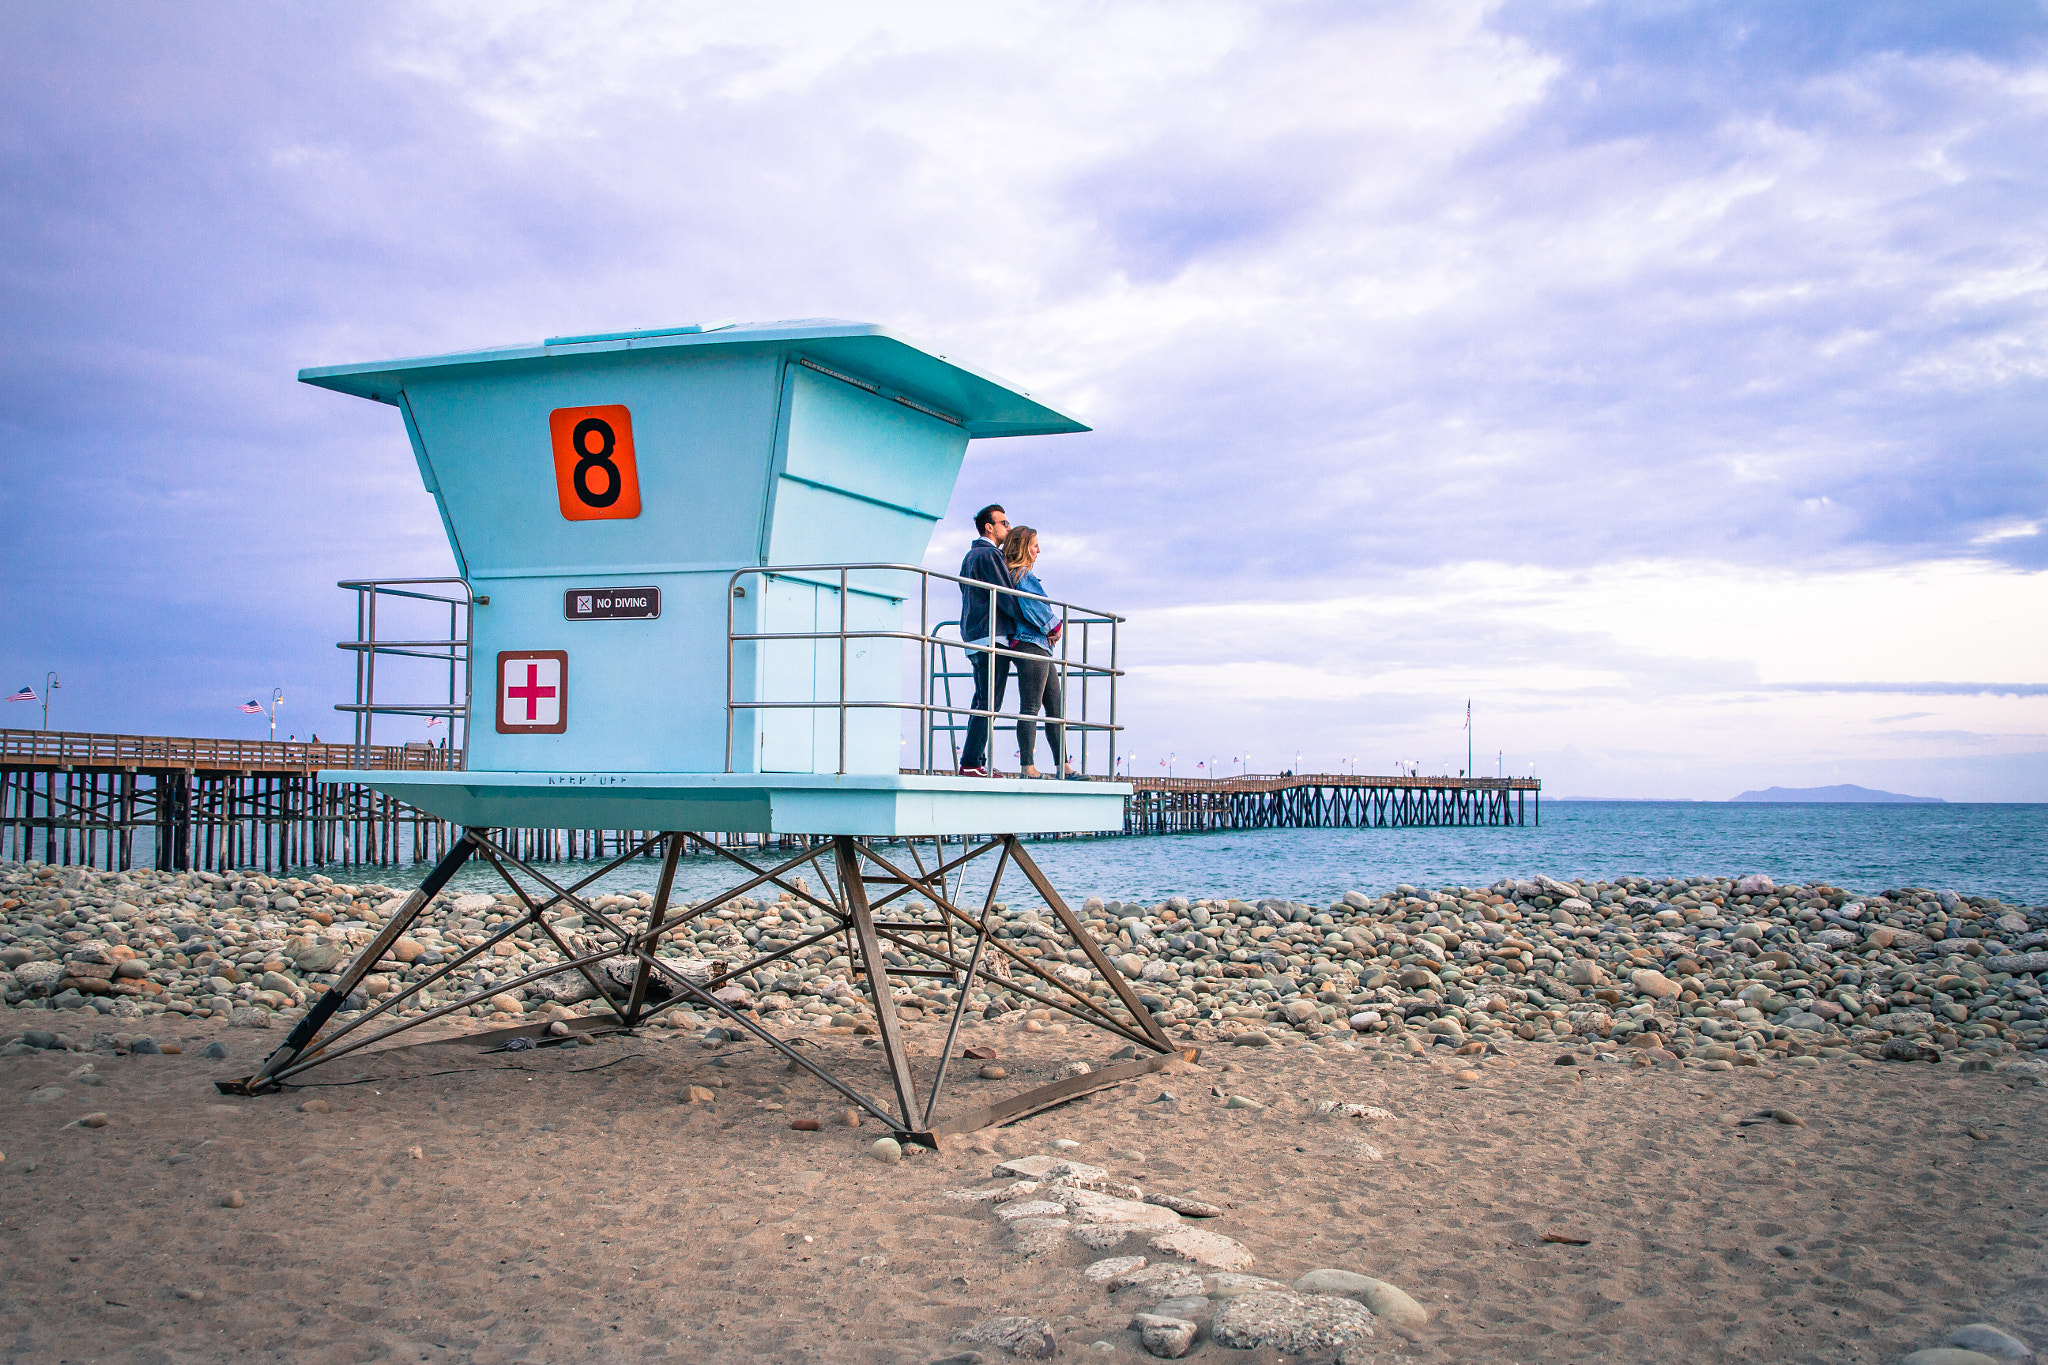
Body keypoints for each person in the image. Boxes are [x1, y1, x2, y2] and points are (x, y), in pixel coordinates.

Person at [1001, 525, 1083, 780]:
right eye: (1035, 545)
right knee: (1032, 707)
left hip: (1039, 645)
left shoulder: (1016, 574)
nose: (1039, 550)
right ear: (1024, 547)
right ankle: (1028, 766)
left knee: (1055, 707)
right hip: (1030, 643)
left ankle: (1063, 766)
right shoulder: (1022, 575)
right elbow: (1032, 605)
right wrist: (1054, 626)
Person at [956, 504, 1015, 776]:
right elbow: (1008, 596)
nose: (1009, 527)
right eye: (1004, 523)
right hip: (992, 635)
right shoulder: (990, 556)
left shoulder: (970, 556)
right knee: (990, 702)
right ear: (989, 527)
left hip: (973, 633)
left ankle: (974, 762)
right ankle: (971, 763)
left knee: (982, 699)